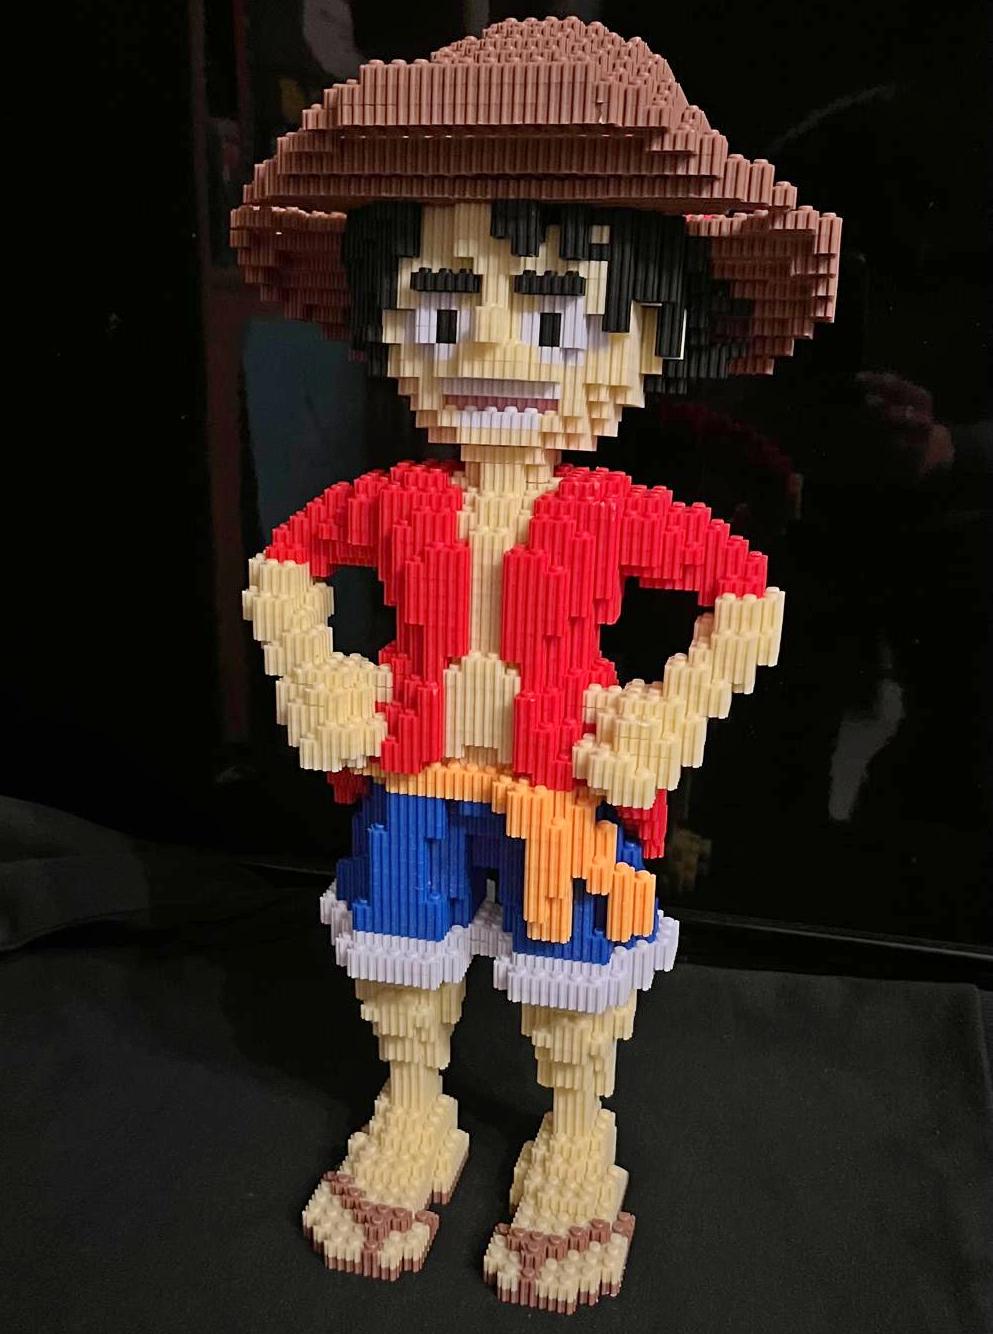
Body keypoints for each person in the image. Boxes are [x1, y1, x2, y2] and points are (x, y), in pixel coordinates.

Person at [232, 16, 839, 1311]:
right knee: (399, 947)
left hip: (562, 794)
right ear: (391, 324)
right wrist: (315, 675)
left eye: (558, 312)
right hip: (412, 783)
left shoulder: (614, 514)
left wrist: (670, 712)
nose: (496, 351)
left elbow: (746, 595)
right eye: (445, 306)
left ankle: (574, 1130)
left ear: (645, 342)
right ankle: (413, 1103)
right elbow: (284, 563)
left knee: (572, 978)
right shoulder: (393, 501)